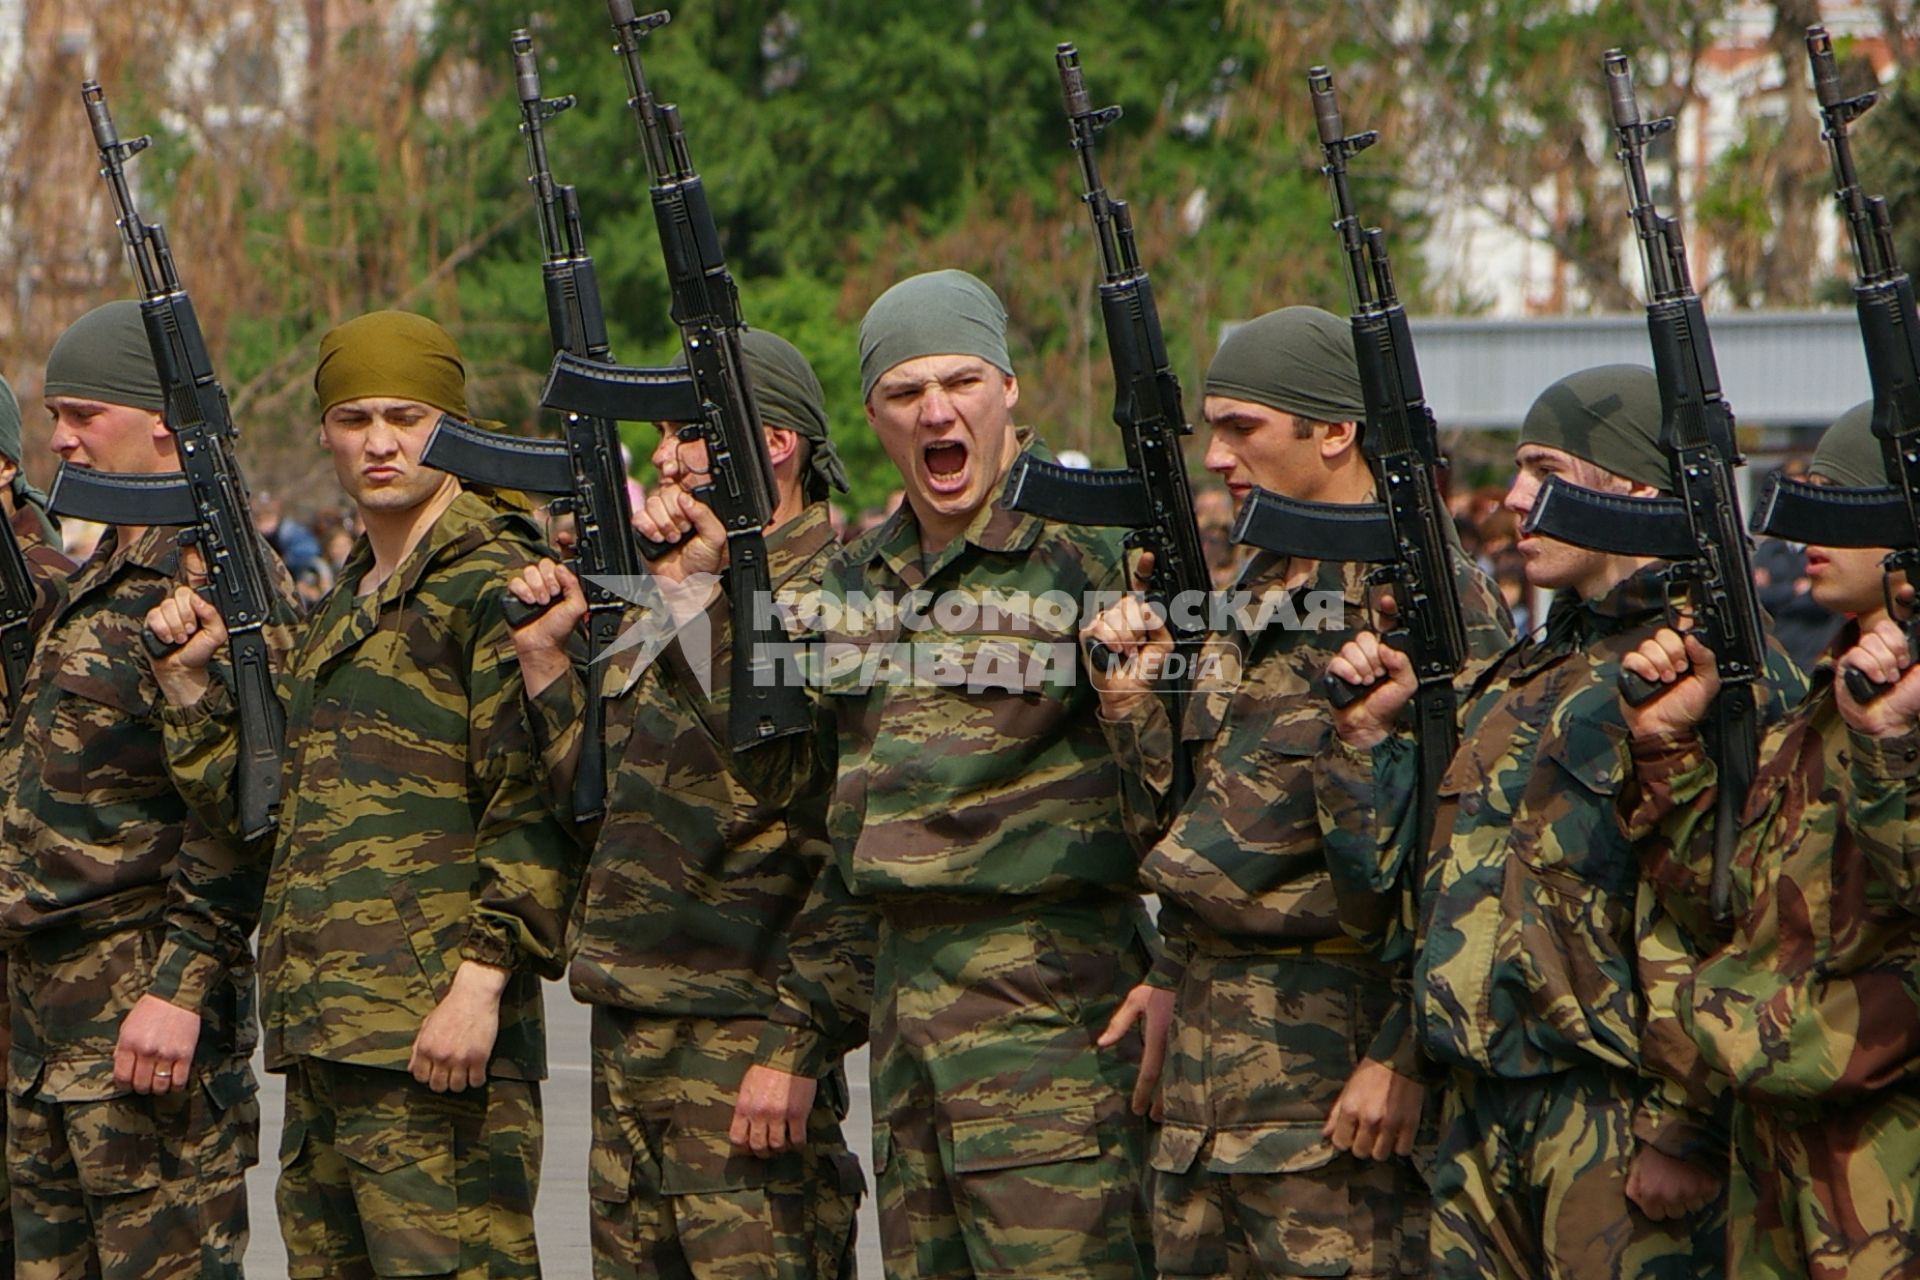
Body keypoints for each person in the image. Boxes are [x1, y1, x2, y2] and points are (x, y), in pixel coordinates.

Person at [652, 270, 1158, 1278]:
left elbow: (1198, 788)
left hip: (1056, 1020)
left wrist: (1135, 704)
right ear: (875, 416)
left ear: (1007, 389)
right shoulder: (855, 580)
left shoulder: (1097, 558)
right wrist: (695, 603)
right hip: (906, 1026)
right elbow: (812, 800)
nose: (936, 410)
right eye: (904, 392)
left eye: (961, 381)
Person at [1320, 364, 1801, 1280]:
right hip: (1480, 1108)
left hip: (1617, 1117)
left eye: (1547, 471)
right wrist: (1363, 743)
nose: (1513, 499)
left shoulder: (1717, 674)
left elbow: (1744, 916)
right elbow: (1411, 891)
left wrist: (1683, 1125)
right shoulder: (1527, 674)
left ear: (1635, 494)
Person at [1083, 305, 1512, 1278]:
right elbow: (1201, 817)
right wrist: (1133, 706)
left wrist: (1405, 1051)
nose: (1221, 454)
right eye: (1215, 428)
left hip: (1340, 1072)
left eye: (1245, 427)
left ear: (1334, 430)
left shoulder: (1427, 601)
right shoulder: (1257, 581)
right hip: (1209, 1079)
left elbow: (1477, 853)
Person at [147, 310, 575, 1278]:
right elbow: (281, 812)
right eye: (352, 418)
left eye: (404, 414)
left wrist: (483, 980)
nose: (378, 441)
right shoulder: (348, 598)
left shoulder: (493, 583)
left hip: (436, 1042)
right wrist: (186, 692)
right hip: (332, 1038)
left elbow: (535, 799)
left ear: (453, 425)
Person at [505, 329, 864, 1278]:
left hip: (745, 1031)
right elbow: (596, 800)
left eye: (682, 434)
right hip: (631, 1024)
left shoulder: (841, 594)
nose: (661, 460)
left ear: (773, 443)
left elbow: (822, 808)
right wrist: (547, 663)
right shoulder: (669, 584)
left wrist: (796, 1045)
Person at [0, 301, 297, 1278]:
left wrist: (179, 987)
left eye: (84, 414)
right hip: (51, 1035)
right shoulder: (112, 566)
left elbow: (247, 808)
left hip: (143, 1027)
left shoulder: (218, 580)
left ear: (162, 423)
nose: (60, 438)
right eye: (55, 414)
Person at [1619, 401, 1920, 1277]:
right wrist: (1669, 749)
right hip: (1782, 1138)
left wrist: (1890, 746)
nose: (1808, 533)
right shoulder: (1826, 700)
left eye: (1844, 504)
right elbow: (1735, 910)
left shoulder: (1876, 711)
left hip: (1887, 1151)